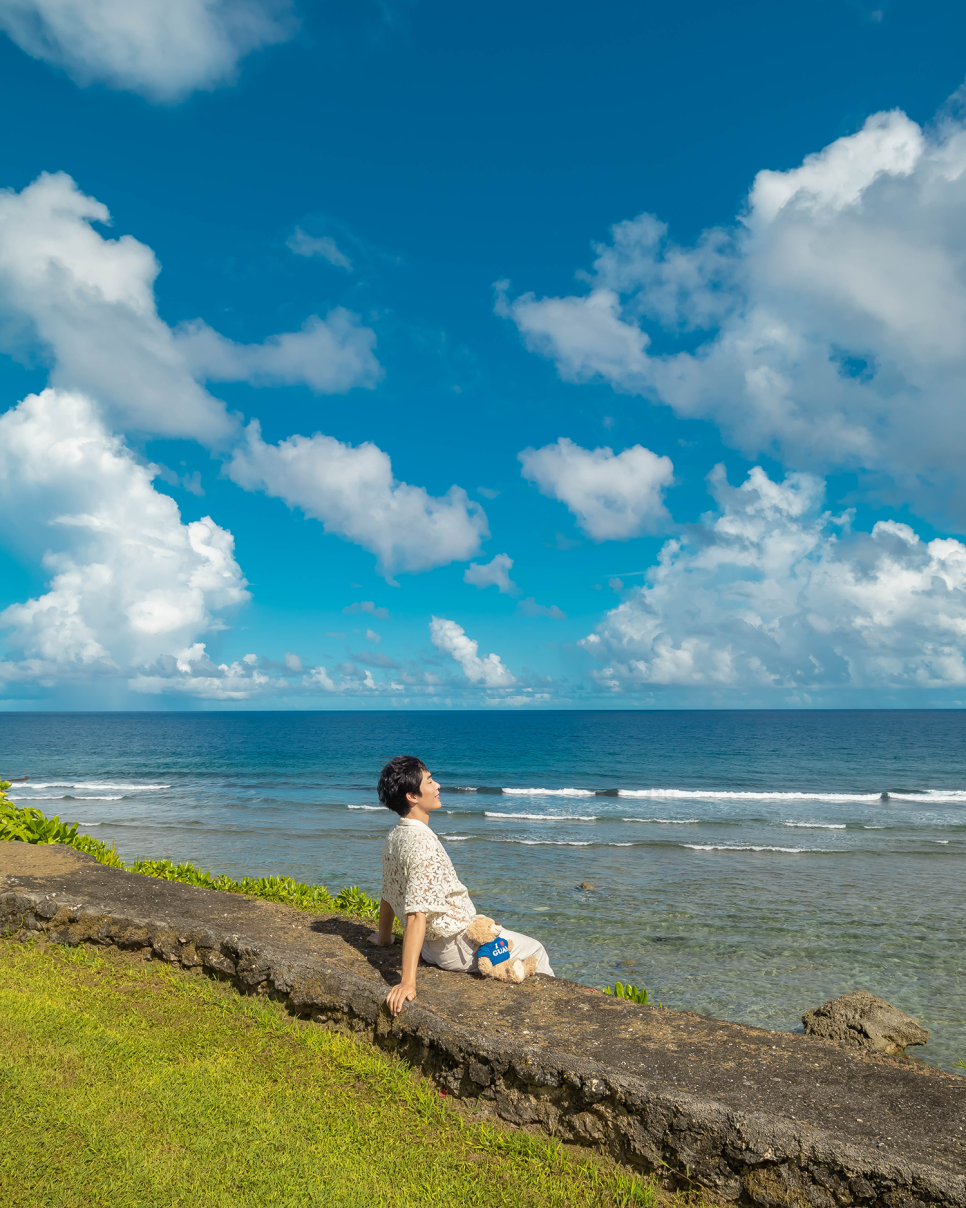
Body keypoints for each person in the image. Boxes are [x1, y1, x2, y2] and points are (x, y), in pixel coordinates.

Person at [369, 754, 554, 1016]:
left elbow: (389, 891)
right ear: (412, 796)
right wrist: (407, 981)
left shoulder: (395, 835)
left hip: (431, 948)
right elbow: (415, 915)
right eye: (430, 781)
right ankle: (547, 1013)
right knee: (537, 949)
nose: (438, 786)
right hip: (457, 946)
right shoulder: (423, 844)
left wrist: (385, 938)